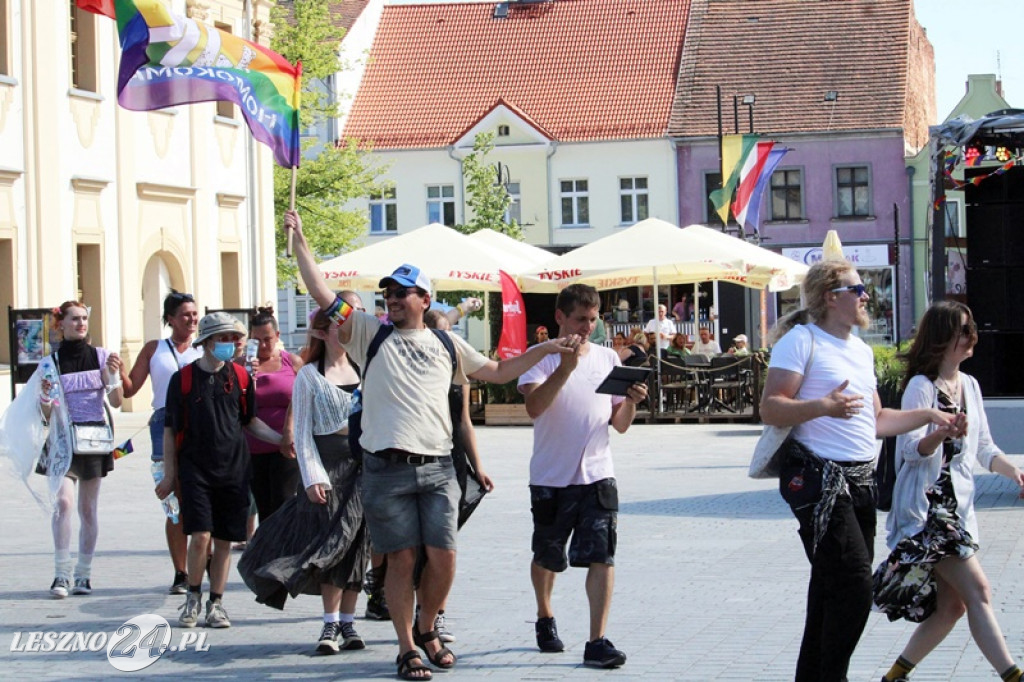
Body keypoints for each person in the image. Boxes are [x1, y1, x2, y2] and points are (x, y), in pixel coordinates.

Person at [285, 208, 574, 681]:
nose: (393, 299)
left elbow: (499, 372)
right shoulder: (367, 333)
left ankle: (426, 625)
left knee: (444, 557)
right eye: (389, 293)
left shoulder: (447, 344)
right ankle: (406, 647)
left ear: (425, 298)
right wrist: (300, 242)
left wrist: (545, 349)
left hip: (439, 467)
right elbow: (321, 291)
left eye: (402, 293)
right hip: (386, 469)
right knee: (400, 558)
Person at [760, 260, 958, 682]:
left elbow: (878, 421)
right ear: (832, 297)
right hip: (816, 481)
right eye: (858, 287)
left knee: (830, 590)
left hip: (860, 482)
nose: (866, 293)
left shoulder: (861, 350)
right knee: (853, 587)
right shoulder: (801, 340)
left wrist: (928, 415)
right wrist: (822, 407)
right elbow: (770, 407)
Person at [874, 302, 1024, 682]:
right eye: (962, 329)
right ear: (942, 338)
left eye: (971, 327)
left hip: (957, 511)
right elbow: (909, 450)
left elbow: (985, 448)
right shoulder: (921, 388)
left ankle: (893, 677)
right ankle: (1012, 675)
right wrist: (939, 431)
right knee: (979, 591)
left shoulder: (970, 386)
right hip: (927, 513)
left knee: (952, 607)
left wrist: (1014, 472)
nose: (970, 335)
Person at [518, 283, 647, 669]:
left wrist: (633, 403)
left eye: (593, 319)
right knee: (547, 555)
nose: (587, 327)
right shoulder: (540, 357)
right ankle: (544, 615)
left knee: (602, 556)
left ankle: (597, 640)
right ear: (560, 317)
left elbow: (619, 423)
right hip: (552, 475)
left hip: (598, 473)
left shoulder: (608, 358)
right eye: (579, 319)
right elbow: (535, 407)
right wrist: (566, 368)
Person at [238, 299, 371, 655]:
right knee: (331, 543)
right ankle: (329, 624)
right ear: (322, 332)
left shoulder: (366, 369)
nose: (346, 332)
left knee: (357, 546)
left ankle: (349, 622)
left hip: (362, 467)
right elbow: (303, 433)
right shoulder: (309, 376)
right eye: (338, 326)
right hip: (327, 468)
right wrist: (312, 475)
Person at [157, 312, 282, 630]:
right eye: (223, 338)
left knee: (225, 541)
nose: (229, 344)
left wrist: (282, 441)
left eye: (233, 338)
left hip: (234, 470)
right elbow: (170, 431)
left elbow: (250, 421)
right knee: (200, 537)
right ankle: (193, 597)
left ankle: (217, 603)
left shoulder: (240, 378)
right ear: (207, 343)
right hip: (195, 470)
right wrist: (170, 475)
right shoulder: (183, 380)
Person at [33, 301, 124, 598]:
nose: (81, 323)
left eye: (84, 318)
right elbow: (44, 415)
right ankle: (61, 575)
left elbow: (118, 401)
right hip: (61, 442)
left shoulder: (102, 356)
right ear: (61, 324)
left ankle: (84, 575)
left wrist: (113, 375)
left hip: (93, 441)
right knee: (64, 504)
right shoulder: (50, 362)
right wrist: (46, 398)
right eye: (74, 319)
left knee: (88, 509)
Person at [417, 308, 495, 644]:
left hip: (452, 459)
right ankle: (421, 613)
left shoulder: (457, 372)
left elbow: (464, 421)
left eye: (452, 333)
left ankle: (436, 615)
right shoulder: (416, 369)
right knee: (420, 546)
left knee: (444, 543)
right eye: (445, 333)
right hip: (420, 457)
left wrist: (477, 465)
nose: (451, 340)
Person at [120, 290, 201, 594]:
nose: (192, 319)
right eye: (185, 314)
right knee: (174, 502)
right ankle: (180, 572)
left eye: (194, 314)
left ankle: (200, 561)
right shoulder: (155, 349)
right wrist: (115, 372)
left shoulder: (204, 348)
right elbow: (130, 390)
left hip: (199, 424)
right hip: (164, 423)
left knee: (201, 495)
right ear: (170, 319)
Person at [244, 306, 301, 524]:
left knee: (284, 505)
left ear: (277, 336)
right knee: (264, 508)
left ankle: (284, 554)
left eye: (267, 339)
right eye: (256, 340)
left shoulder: (292, 362)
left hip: (286, 448)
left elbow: (306, 396)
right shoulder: (244, 366)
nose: (263, 346)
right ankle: (267, 554)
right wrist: (249, 377)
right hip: (253, 449)